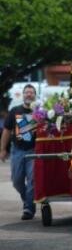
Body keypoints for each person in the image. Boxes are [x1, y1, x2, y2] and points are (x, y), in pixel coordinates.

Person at [0, 84, 38, 220]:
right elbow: (6, 131)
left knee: (33, 180)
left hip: (33, 151)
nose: (29, 94)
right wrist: (3, 149)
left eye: (31, 92)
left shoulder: (39, 112)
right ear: (23, 95)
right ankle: (28, 201)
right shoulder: (15, 111)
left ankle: (28, 208)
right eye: (26, 92)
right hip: (17, 151)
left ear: (35, 95)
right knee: (16, 181)